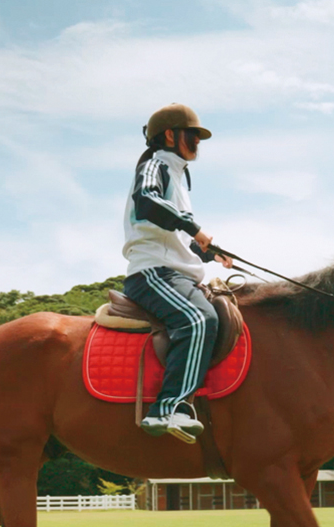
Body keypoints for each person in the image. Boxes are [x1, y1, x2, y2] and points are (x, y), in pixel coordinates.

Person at [122, 103, 232, 442]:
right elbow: (147, 201)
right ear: (170, 135)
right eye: (192, 135)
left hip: (175, 269)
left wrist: (208, 252)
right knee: (200, 319)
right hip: (153, 271)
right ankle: (168, 408)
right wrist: (194, 227)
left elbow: (175, 235)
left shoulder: (178, 173)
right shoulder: (156, 164)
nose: (198, 142)